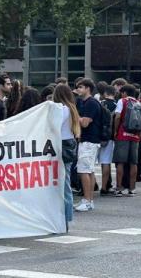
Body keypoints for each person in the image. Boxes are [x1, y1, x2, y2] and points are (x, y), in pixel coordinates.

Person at [52, 84, 81, 226]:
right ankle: (66, 218)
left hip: (62, 144)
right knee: (65, 181)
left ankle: (65, 219)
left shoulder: (62, 109)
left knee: (64, 183)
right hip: (69, 143)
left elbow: (54, 126)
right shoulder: (71, 108)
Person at [74, 79, 102, 212]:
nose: (78, 89)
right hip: (89, 140)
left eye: (80, 87)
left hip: (89, 140)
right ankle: (88, 200)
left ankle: (87, 199)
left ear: (88, 88)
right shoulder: (84, 102)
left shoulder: (91, 103)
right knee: (89, 170)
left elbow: (85, 123)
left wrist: (74, 116)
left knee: (84, 170)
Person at [112, 83, 141, 196]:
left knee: (120, 162)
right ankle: (132, 188)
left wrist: (115, 130)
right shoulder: (139, 104)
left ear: (124, 93)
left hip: (122, 134)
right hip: (135, 136)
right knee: (133, 162)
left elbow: (118, 116)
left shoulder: (122, 101)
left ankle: (119, 187)